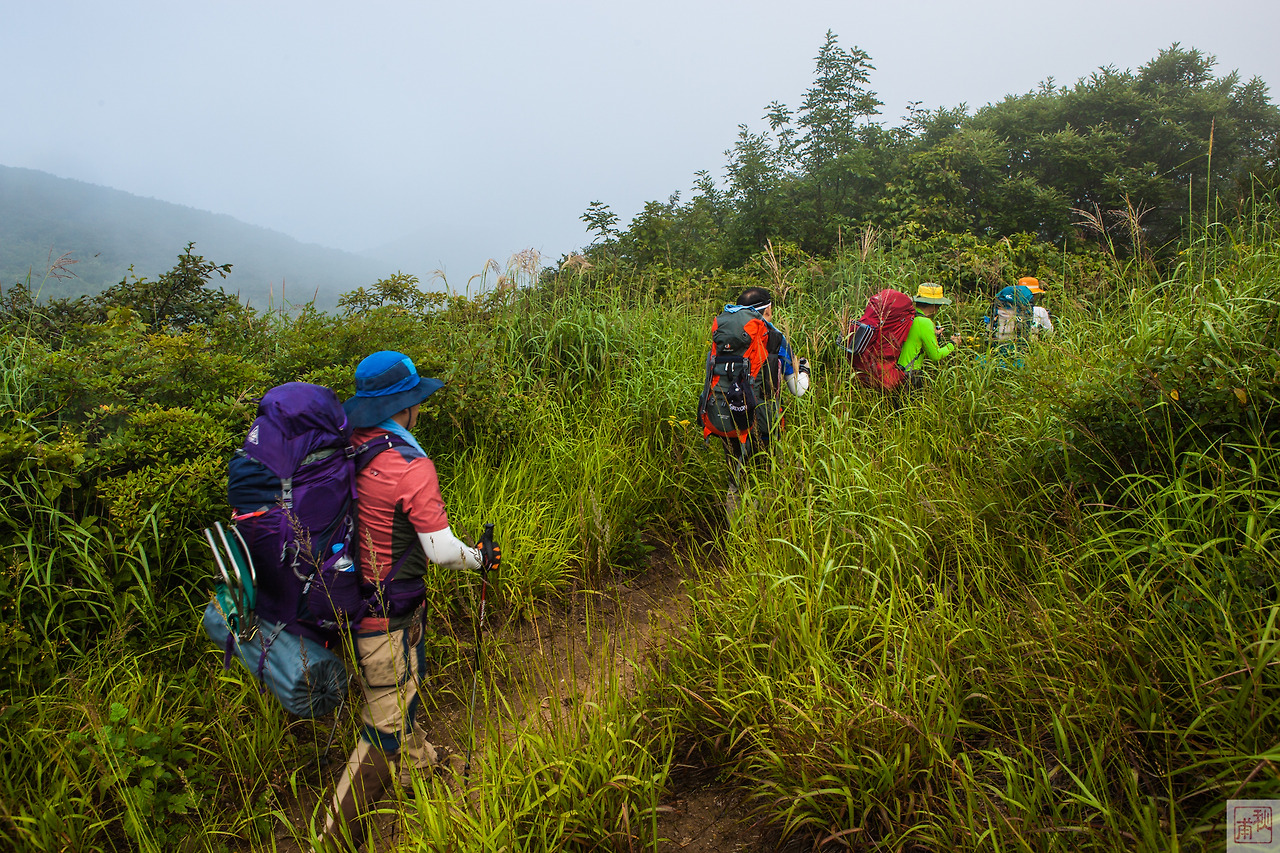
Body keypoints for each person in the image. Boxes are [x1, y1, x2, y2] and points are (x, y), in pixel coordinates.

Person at [319, 350, 497, 849]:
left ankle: (417, 766)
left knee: (401, 681)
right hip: (386, 608)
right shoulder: (410, 464)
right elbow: (440, 551)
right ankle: (333, 837)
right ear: (408, 405)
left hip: (346, 594)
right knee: (385, 726)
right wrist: (480, 559)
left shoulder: (349, 446)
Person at [698, 287, 810, 498]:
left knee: (736, 481)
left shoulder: (722, 336)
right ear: (767, 310)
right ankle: (760, 528)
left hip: (725, 419)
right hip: (761, 422)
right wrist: (803, 369)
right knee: (764, 480)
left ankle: (736, 527)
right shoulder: (773, 336)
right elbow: (798, 390)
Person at [897, 283, 962, 388]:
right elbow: (935, 355)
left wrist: (933, 335)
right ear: (934, 306)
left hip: (897, 371)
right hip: (910, 374)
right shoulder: (925, 323)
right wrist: (953, 344)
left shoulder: (911, 316)